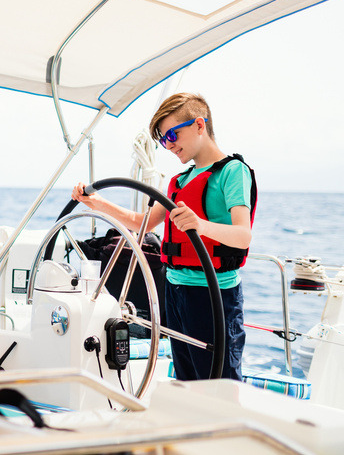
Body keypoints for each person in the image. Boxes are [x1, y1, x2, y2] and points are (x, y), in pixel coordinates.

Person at [72, 92, 255, 381]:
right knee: (186, 378)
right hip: (175, 291)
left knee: (219, 381)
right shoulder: (180, 181)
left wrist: (201, 226)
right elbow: (140, 224)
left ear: (199, 125)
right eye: (163, 140)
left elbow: (243, 236)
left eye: (172, 135)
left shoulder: (233, 172)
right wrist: (96, 203)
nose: (169, 145)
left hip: (214, 294)